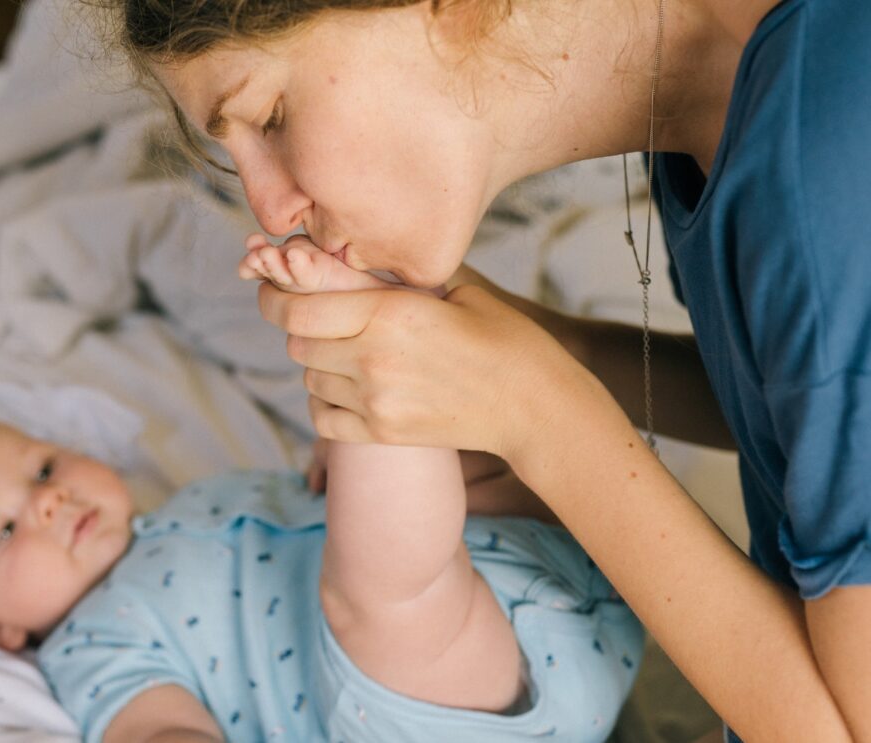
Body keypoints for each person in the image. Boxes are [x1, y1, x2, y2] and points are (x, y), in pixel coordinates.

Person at [99, 0, 871, 740]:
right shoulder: (728, 98)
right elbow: (801, 404)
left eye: (272, 116)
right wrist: (538, 347)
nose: (270, 211)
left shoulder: (827, 168)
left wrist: (537, 412)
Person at [0, 252, 642, 741]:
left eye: (41, 470)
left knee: (471, 452)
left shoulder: (188, 501)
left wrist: (339, 473)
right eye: (5, 531)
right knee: (385, 591)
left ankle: (386, 401)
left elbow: (321, 511)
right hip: (445, 695)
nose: (45, 502)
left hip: (560, 573)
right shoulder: (90, 645)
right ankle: (368, 354)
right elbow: (159, 730)